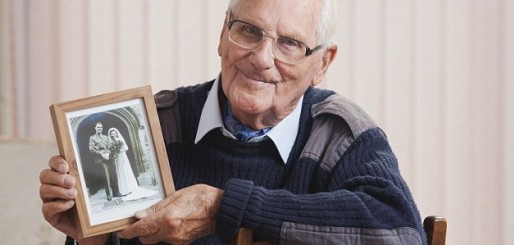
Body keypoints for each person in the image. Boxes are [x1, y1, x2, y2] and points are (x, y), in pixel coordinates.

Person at [39, 0, 427, 244]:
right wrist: (91, 234)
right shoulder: (157, 124)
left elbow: (401, 234)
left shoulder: (340, 134)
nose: (261, 57)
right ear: (223, 34)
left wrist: (223, 207)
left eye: (289, 43)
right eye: (249, 31)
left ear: (322, 63)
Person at [107, 127, 157, 202]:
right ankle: (123, 191)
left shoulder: (120, 140)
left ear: (116, 133)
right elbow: (112, 151)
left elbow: (126, 148)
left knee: (125, 171)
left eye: (114, 133)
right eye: (111, 134)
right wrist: (114, 153)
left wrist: (119, 150)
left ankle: (130, 188)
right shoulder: (111, 143)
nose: (113, 135)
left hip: (122, 156)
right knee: (120, 172)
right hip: (117, 159)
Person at [88, 122, 119, 201]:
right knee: (106, 176)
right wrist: (101, 154)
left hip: (108, 157)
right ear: (95, 128)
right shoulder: (92, 138)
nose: (100, 129)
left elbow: (109, 146)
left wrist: (108, 153)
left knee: (113, 175)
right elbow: (91, 149)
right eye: (98, 127)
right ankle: (109, 195)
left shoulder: (105, 137)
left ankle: (116, 192)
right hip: (100, 160)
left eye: (101, 127)